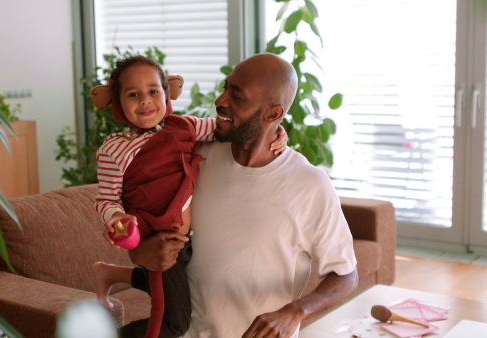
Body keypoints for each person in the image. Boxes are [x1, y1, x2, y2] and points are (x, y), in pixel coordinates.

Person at [128, 53, 359, 338]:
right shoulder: (196, 155)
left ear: (273, 114)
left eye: (237, 96)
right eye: (225, 87)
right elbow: (146, 217)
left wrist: (294, 312)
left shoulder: (309, 184)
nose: (220, 100)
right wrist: (139, 251)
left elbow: (346, 274)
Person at [91, 55, 287, 337]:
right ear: (117, 101)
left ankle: (108, 273)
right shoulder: (114, 149)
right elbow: (106, 199)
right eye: (133, 94)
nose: (145, 101)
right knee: (172, 325)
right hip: (158, 245)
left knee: (195, 286)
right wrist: (117, 219)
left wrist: (278, 130)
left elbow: (233, 125)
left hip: (188, 243)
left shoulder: (187, 126)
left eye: (153, 92)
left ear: (168, 93)